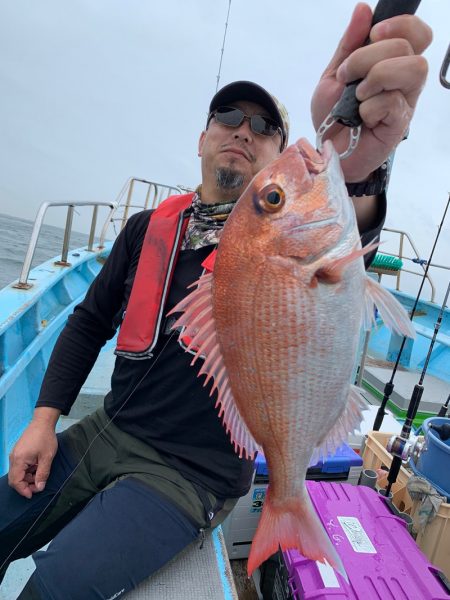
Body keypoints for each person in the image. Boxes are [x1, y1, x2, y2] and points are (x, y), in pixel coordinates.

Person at [0, 5, 432, 599]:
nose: (243, 130)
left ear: (276, 151)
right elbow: (89, 321)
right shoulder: (148, 228)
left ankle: (285, 503)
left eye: (263, 126)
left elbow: (336, 228)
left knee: (53, 588)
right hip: (107, 431)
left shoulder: (278, 236)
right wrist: (44, 421)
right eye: (228, 116)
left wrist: (358, 168)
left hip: (189, 476)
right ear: (203, 138)